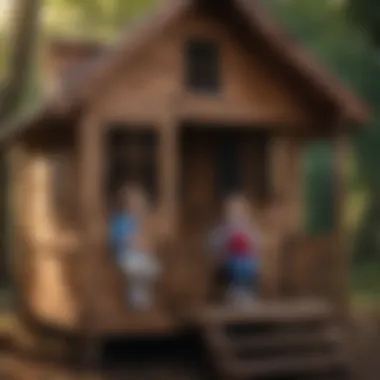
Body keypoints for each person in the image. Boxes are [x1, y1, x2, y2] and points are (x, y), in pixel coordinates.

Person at [209, 194, 261, 308]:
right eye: (233, 212)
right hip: (228, 263)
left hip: (246, 263)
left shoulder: (249, 229)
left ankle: (246, 293)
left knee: (246, 266)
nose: (236, 216)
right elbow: (214, 244)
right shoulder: (223, 230)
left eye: (239, 212)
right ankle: (234, 292)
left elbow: (255, 245)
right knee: (235, 266)